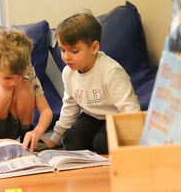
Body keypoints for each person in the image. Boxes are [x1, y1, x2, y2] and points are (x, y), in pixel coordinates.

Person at [43, 11, 141, 154]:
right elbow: (70, 107)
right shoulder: (68, 72)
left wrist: (134, 138)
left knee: (102, 143)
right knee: (70, 141)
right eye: (63, 50)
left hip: (115, 117)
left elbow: (129, 108)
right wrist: (55, 138)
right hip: (92, 116)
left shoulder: (111, 71)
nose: (66, 57)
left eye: (74, 51)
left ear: (94, 48)